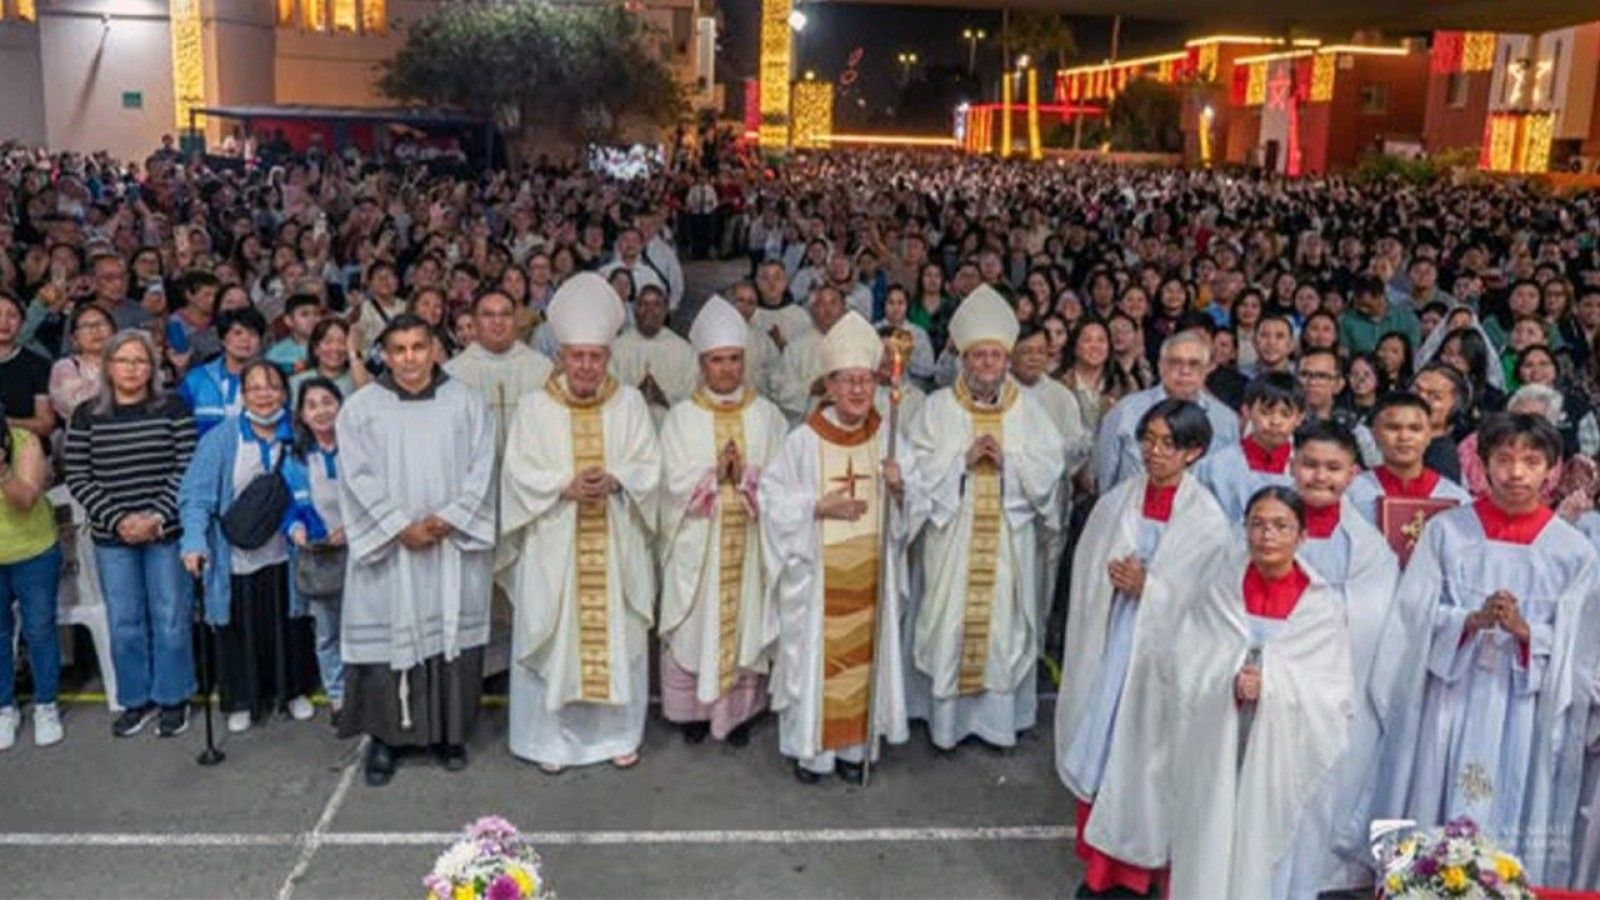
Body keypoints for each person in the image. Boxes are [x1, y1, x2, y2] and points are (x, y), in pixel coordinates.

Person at [1385, 413, 1598, 885]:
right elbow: (1412, 617)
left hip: (1525, 708)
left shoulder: (1573, 552)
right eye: (1504, 459)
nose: (1516, 472)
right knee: (1438, 800)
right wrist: (1469, 621)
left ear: (1553, 471)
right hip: (1452, 697)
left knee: (1516, 803)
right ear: (1482, 465)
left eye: (1531, 461)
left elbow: (1582, 649)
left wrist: (1527, 633)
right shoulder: (1447, 532)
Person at [1056, 399, 1229, 898]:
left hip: (1161, 662)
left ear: (1193, 452)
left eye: (1168, 444)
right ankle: (1101, 871)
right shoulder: (1118, 501)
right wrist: (1112, 577)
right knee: (1106, 748)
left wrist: (1150, 588)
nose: (1155, 452)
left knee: (1150, 763)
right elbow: (1089, 563)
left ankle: (1143, 875)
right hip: (1113, 644)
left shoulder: (1206, 519)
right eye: (1148, 440)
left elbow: (1208, 602)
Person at [498, 273, 661, 773]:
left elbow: (649, 464)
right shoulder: (534, 407)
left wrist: (617, 479)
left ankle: (617, 735)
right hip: (556, 540)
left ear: (608, 357)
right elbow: (517, 470)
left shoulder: (630, 404)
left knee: (616, 637)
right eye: (577, 356)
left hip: (613, 539)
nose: (587, 366)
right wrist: (562, 486)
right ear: (562, 356)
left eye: (596, 356)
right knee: (558, 637)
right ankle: (551, 741)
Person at [759, 311, 926, 783]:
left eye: (865, 381)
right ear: (829, 386)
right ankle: (811, 752)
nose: (857, 390)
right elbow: (771, 498)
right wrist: (816, 507)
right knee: (816, 660)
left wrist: (901, 485)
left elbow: (917, 497)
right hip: (819, 577)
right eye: (847, 381)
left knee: (864, 662)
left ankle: (855, 750)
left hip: (870, 573)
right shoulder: (803, 441)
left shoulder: (888, 436)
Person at [1167, 487, 1354, 899]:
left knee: (1265, 846)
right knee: (1212, 829)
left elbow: (1333, 695)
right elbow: (1188, 659)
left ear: (1302, 536)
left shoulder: (1321, 606)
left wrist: (1270, 685)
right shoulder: (1219, 590)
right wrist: (1228, 678)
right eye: (1257, 524)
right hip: (1218, 735)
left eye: (1281, 526)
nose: (1267, 536)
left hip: (1283, 749)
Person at [336, 312, 497, 786]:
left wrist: (449, 519)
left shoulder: (466, 402)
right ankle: (386, 741)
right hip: (391, 550)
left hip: (448, 545)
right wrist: (397, 527)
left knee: (449, 636)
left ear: (434, 350)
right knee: (388, 640)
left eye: (418, 347)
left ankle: (449, 735)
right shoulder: (361, 409)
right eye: (399, 349)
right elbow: (355, 476)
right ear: (385, 355)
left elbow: (483, 467)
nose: (409, 359)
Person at [908, 286, 1065, 751]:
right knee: (950, 626)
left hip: (1006, 539)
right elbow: (917, 470)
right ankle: (946, 725)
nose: (988, 364)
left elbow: (1050, 468)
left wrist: (1009, 464)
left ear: (1007, 359)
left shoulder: (1029, 411)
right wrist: (961, 461)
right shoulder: (936, 409)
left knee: (1002, 628)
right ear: (964, 359)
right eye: (979, 356)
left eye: (996, 355)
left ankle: (997, 725)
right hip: (953, 538)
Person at [656, 297, 788, 745]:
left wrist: (748, 478)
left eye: (734, 359)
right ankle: (694, 713)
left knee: (745, 625)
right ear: (702, 364)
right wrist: (713, 477)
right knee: (696, 628)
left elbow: (784, 482)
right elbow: (668, 483)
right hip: (699, 546)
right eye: (717, 360)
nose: (727, 369)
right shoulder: (681, 418)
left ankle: (738, 715)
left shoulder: (767, 417)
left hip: (750, 544)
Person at [1283, 422, 1403, 895]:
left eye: (1333, 468)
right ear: (1292, 466)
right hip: (1276, 690)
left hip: (1340, 687)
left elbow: (1378, 620)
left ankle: (1318, 879)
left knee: (1329, 788)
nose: (1320, 476)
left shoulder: (1371, 550)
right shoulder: (1258, 531)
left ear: (1353, 474)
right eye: (1310, 465)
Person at [63, 330, 198, 738]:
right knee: (124, 622)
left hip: (165, 532)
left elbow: (187, 465)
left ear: (153, 368)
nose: (132, 369)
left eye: (141, 361)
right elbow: (78, 474)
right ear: (108, 366)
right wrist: (118, 519)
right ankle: (136, 699)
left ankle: (173, 698)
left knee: (170, 618)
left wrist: (156, 516)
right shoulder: (86, 414)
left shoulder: (173, 407)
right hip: (112, 537)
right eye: (123, 360)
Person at [179, 360, 320, 733]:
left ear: (285, 393)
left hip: (286, 553)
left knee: (289, 624)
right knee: (239, 628)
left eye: (272, 387)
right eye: (255, 388)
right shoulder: (221, 439)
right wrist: (194, 542)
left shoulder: (299, 436)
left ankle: (292, 691)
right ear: (243, 394)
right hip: (236, 558)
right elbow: (196, 497)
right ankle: (242, 699)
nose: (264, 395)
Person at [1092, 329, 1240, 492]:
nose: (1184, 371)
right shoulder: (1125, 411)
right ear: (1161, 366)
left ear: (1207, 369)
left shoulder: (1226, 421)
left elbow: (1229, 484)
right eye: (1175, 362)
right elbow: (1104, 478)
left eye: (1194, 364)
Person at [281, 377, 347, 722]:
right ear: (302, 415)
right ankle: (338, 698)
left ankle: (369, 696)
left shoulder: (359, 448)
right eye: (312, 405)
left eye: (327, 402)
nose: (321, 411)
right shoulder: (295, 459)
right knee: (327, 633)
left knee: (365, 630)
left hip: (363, 554)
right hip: (321, 558)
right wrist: (294, 527)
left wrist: (353, 528)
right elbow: (289, 507)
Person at [0, 409, 63, 749]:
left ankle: (46, 704)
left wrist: (3, 471)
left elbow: (25, 499)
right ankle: (4, 707)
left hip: (33, 552)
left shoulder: (26, 442)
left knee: (39, 629)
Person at [443, 289, 554, 458]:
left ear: (516, 320)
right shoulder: (454, 373)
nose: (498, 321)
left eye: (505, 314)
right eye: (488, 315)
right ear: (475, 322)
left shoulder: (542, 369)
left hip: (529, 466)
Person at [1194, 373, 1306, 525]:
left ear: (1299, 418)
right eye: (1265, 412)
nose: (1275, 421)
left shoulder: (1306, 468)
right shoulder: (1214, 466)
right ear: (1247, 411)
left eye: (1285, 414)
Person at [1347, 392, 1472, 527]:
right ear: (1374, 434)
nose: (1404, 437)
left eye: (1415, 429)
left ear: (1429, 435)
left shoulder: (1456, 499)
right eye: (1393, 428)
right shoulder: (1351, 494)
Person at [608, 284, 696, 428]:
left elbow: (692, 395)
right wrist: (636, 395)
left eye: (656, 305)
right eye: (643, 304)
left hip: (670, 429)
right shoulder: (617, 348)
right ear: (635, 309)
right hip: (628, 429)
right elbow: (608, 394)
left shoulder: (684, 350)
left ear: (665, 310)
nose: (649, 310)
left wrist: (663, 397)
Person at [179, 307, 267, 437]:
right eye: (237, 333)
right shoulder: (197, 379)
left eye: (253, 334)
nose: (245, 340)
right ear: (223, 339)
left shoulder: (271, 380)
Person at [774, 285, 849, 422]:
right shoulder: (796, 347)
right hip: (808, 423)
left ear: (844, 309)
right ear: (812, 310)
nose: (827, 309)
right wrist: (811, 388)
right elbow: (781, 389)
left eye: (833, 303)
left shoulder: (857, 343)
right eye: (821, 304)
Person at [0, 292, 56, 439]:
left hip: (25, 444)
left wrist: (6, 422)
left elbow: (45, 424)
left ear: (22, 323)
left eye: (12, 316)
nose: (4, 322)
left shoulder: (39, 365)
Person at [48, 303, 114, 420]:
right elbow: (75, 406)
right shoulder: (65, 367)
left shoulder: (128, 360)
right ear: (74, 339)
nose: (95, 330)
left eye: (101, 323)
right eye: (86, 326)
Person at [289, 317, 361, 403]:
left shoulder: (359, 378)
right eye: (328, 341)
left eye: (342, 342)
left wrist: (353, 354)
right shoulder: (296, 382)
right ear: (316, 349)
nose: (335, 348)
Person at [264, 293, 323, 374]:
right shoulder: (275, 354)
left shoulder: (331, 347)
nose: (313, 319)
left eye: (316, 314)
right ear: (288, 320)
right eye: (304, 314)